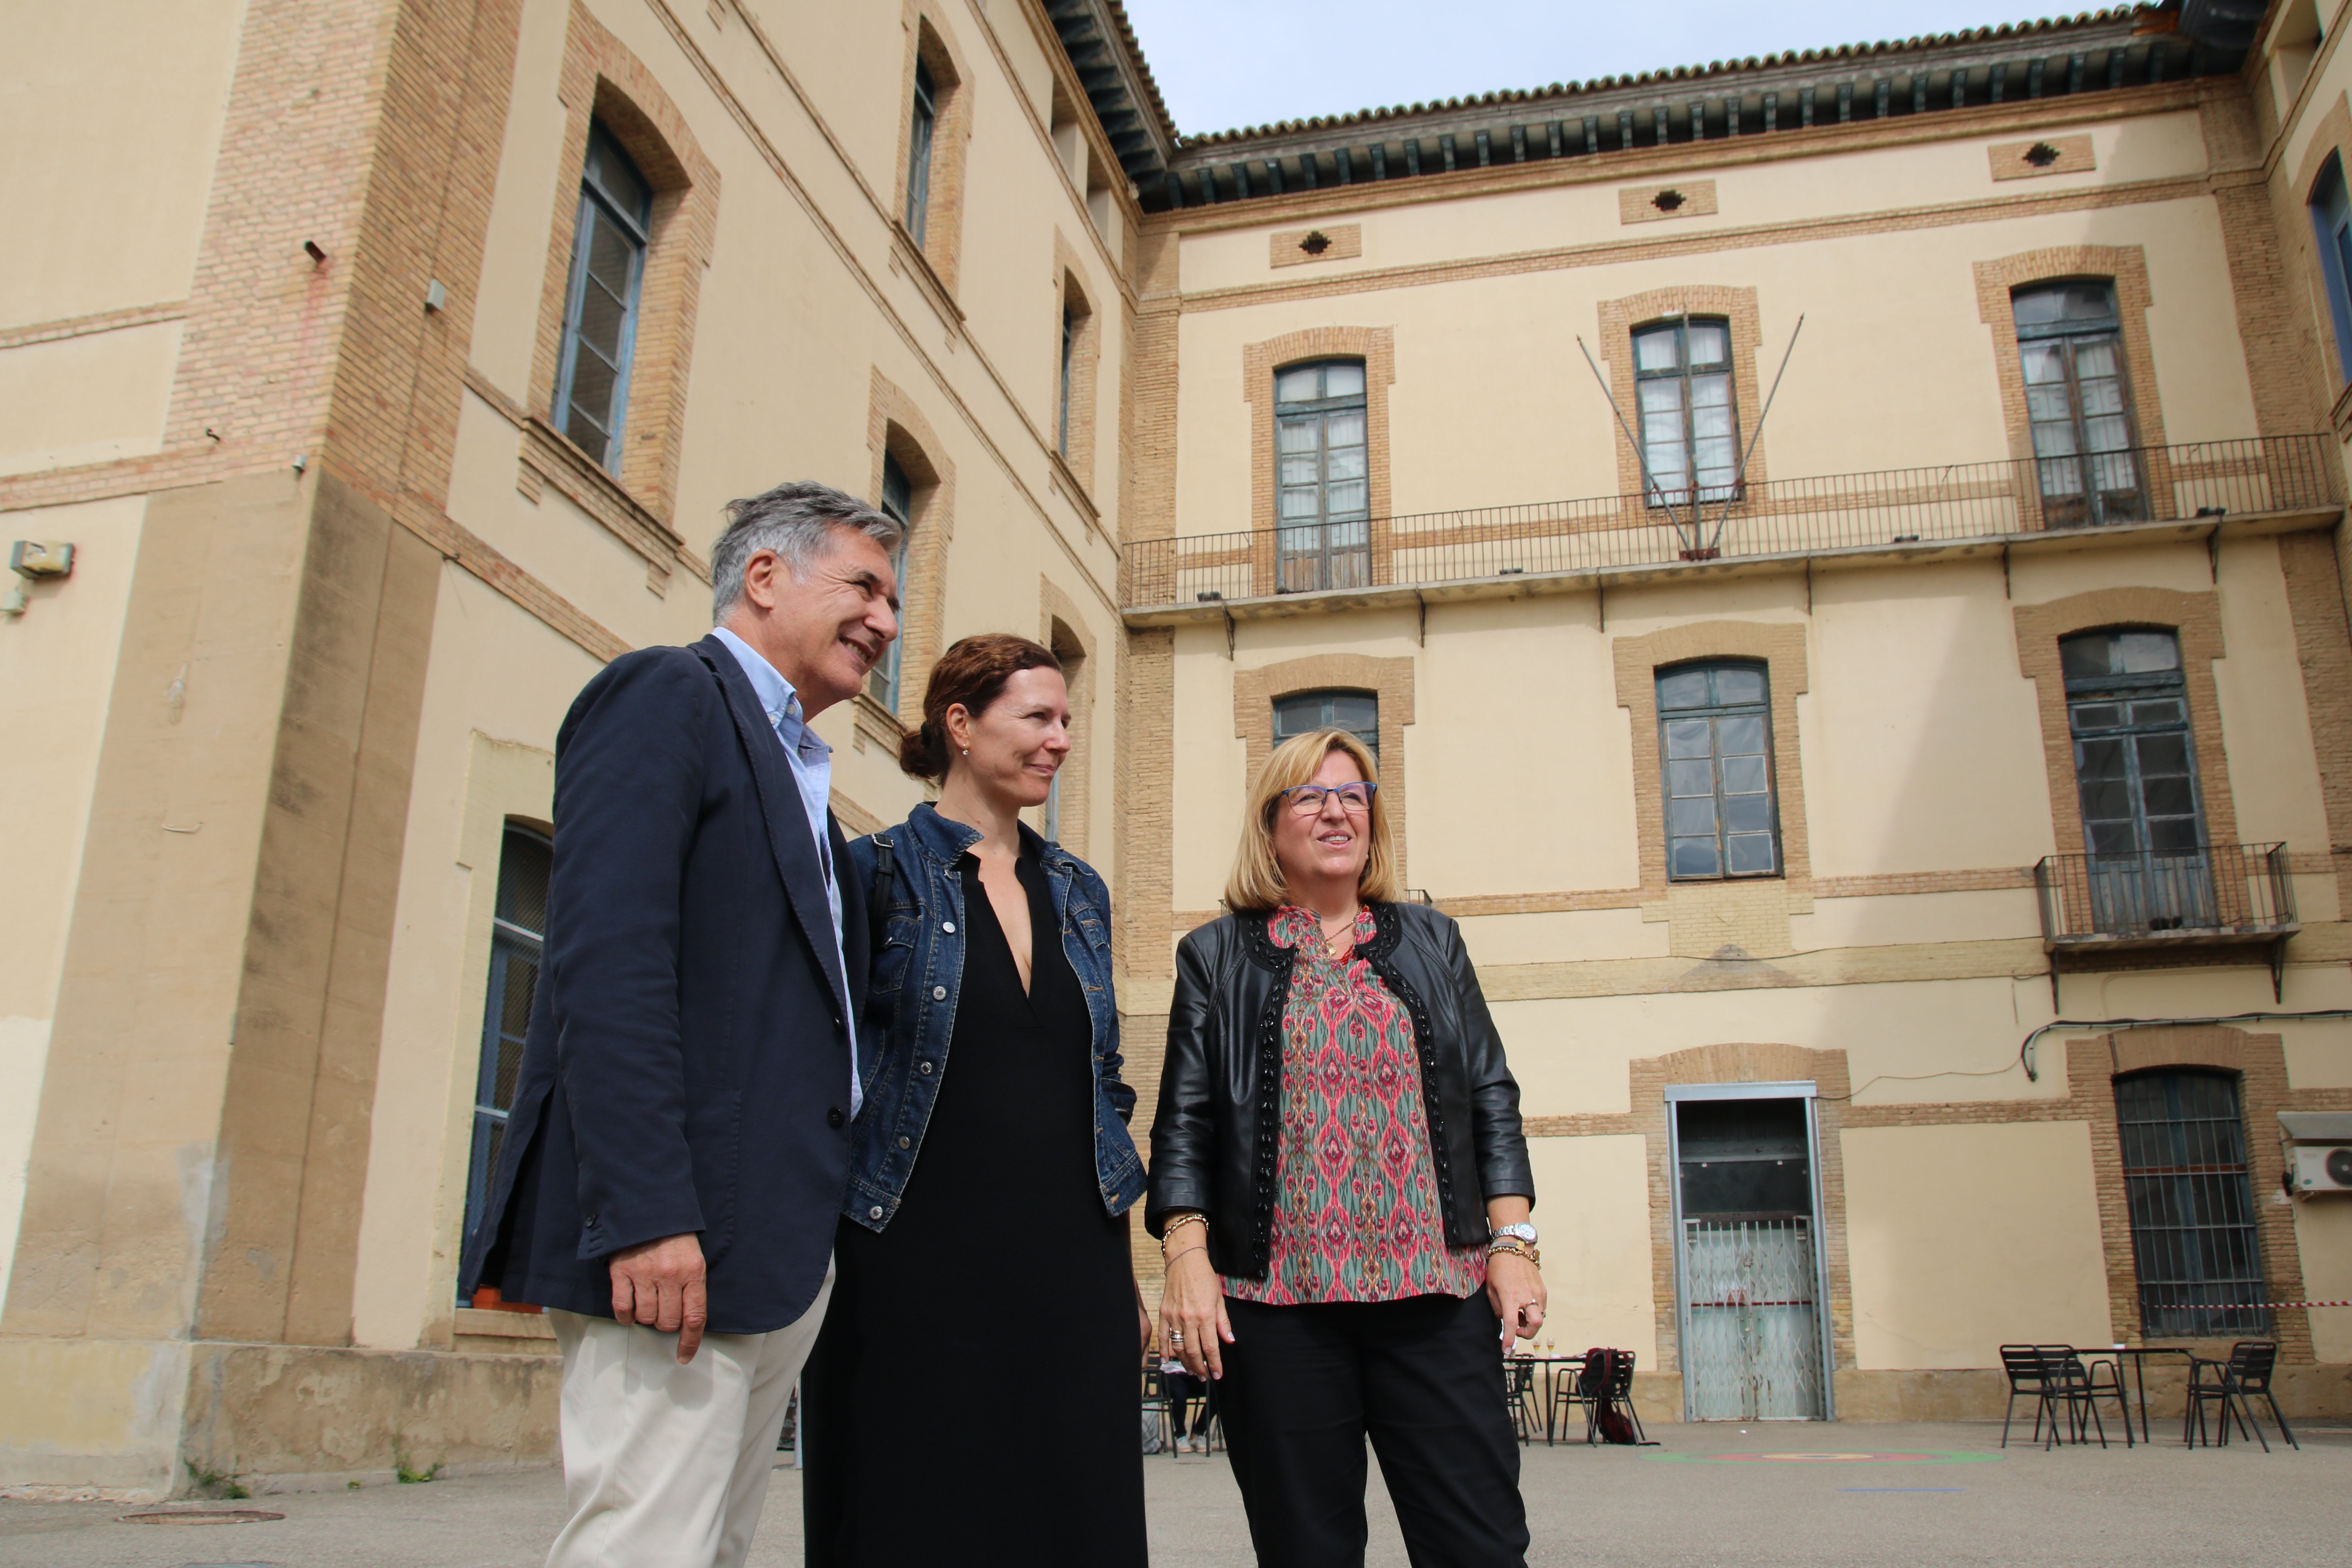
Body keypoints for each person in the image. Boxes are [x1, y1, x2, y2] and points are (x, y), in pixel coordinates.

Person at [461, 481, 902, 1568]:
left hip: (769, 1249)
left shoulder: (803, 774)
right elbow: (607, 966)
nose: (886, 624)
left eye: (893, 602)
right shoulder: (666, 695)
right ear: (764, 577)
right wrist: (649, 1212)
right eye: (864, 588)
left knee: (711, 1548)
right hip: (675, 1241)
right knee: (646, 1546)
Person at [1151, 728, 1544, 1568]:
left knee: (1481, 1545)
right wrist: (1186, 1256)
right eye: (1310, 794)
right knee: (1307, 1550)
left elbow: (1490, 1096)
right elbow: (1185, 1120)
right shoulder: (1216, 956)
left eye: (1354, 794)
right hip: (1277, 1308)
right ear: (1271, 827)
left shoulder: (1432, 940)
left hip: (1437, 1296)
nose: (1337, 809)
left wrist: (1512, 1245)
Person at [802, 634, 1149, 1567]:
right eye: (1037, 716)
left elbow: (1103, 1074)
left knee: (1077, 1510)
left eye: (1067, 720)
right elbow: (825, 1067)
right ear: (959, 724)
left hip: (1073, 1260)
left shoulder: (1080, 890)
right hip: (911, 1254)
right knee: (915, 1507)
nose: (1060, 739)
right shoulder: (874, 873)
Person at [1161, 1350, 1216, 1454]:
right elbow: (1170, 1351)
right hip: (1171, 1373)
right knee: (1180, 1393)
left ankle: (1197, 1434)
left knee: (1217, 1392)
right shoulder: (1171, 1332)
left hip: (1195, 1373)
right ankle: (1181, 1436)